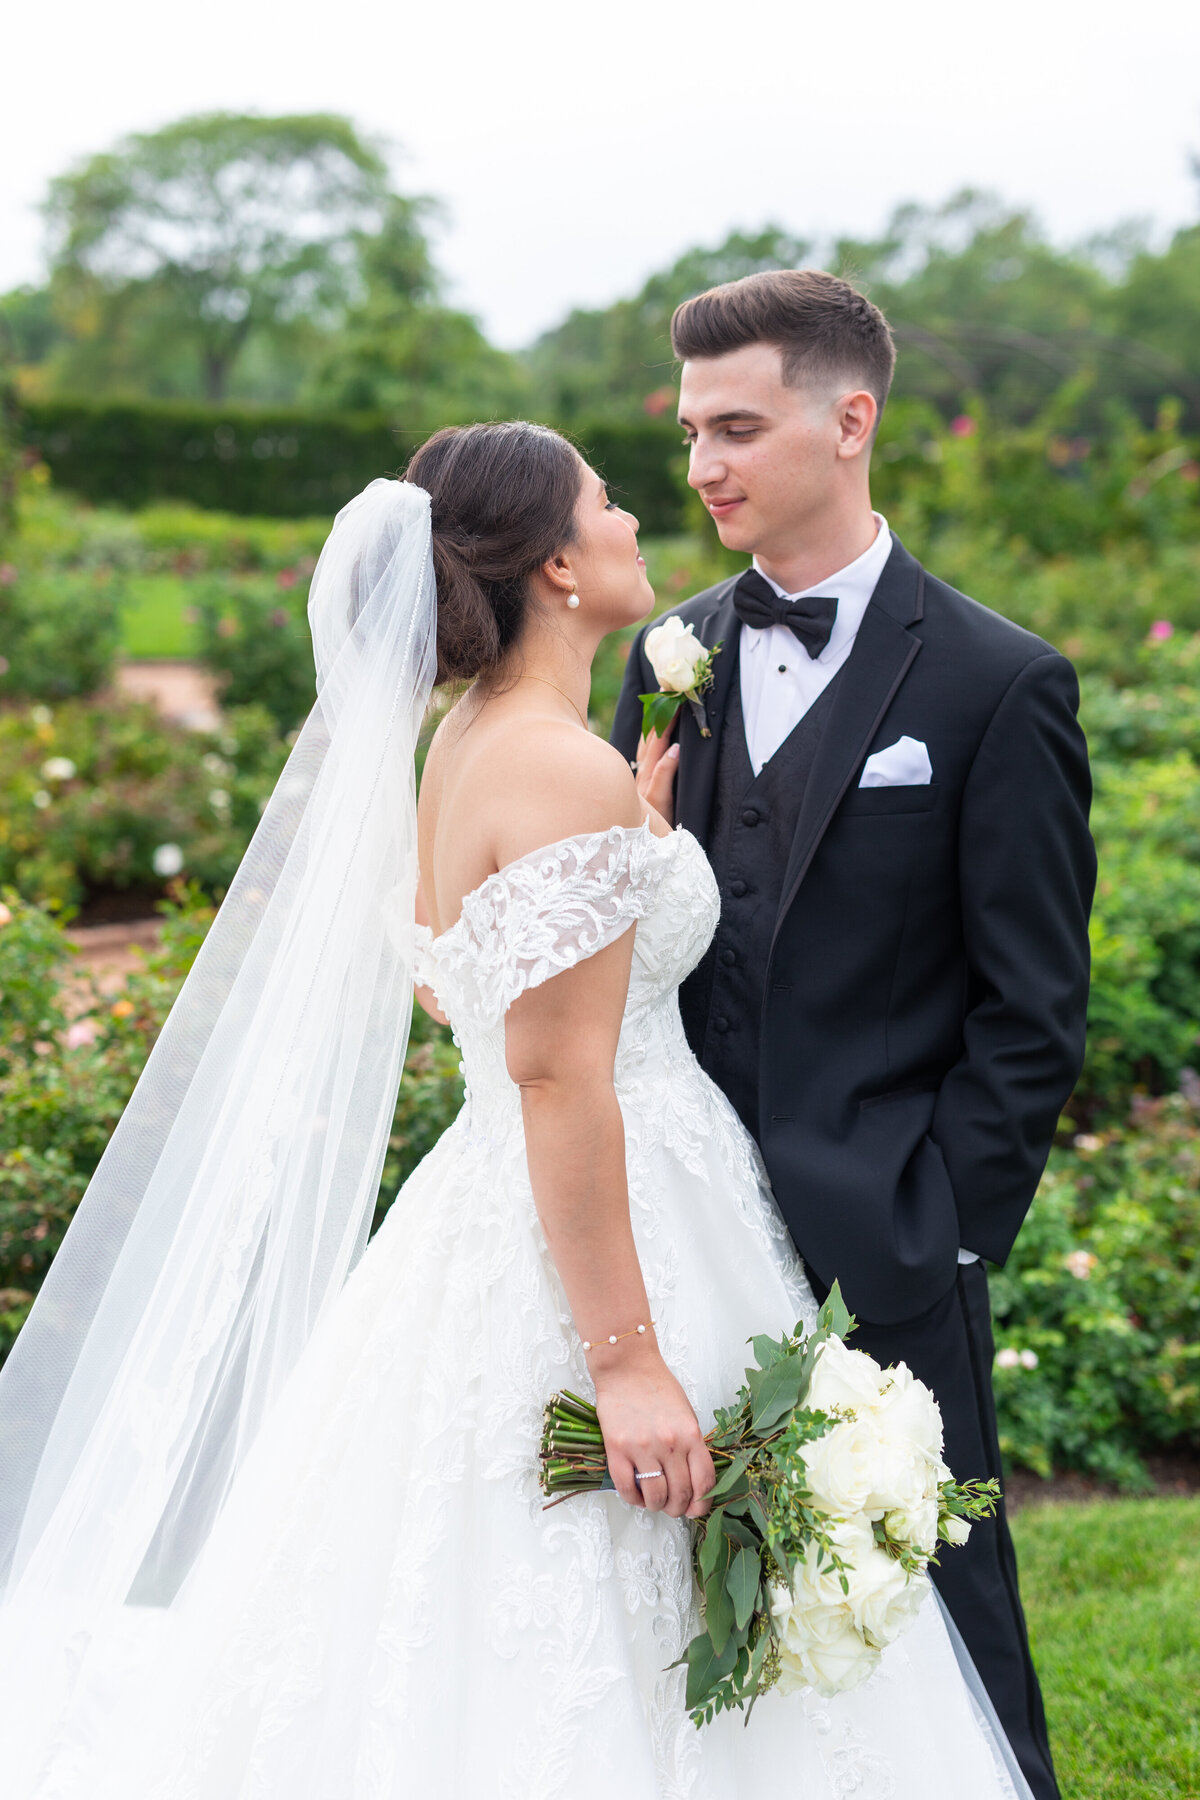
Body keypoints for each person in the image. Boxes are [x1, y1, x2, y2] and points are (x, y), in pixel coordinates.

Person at [0, 424, 1033, 1798]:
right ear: (556, 561)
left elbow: (461, 989)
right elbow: (555, 1073)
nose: (634, 520)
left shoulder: (479, 743)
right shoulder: (555, 766)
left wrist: (634, 847)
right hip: (612, 1221)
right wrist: (622, 1362)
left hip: (530, 1191)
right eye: (608, 503)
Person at [612, 271, 1096, 1800]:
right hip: (678, 1219)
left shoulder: (995, 681)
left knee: (946, 1607)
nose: (703, 468)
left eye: (738, 427)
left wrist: (942, 1227)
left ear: (853, 419)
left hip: (885, 1232)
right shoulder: (669, 654)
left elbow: (1034, 1007)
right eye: (691, 432)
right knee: (676, 1598)